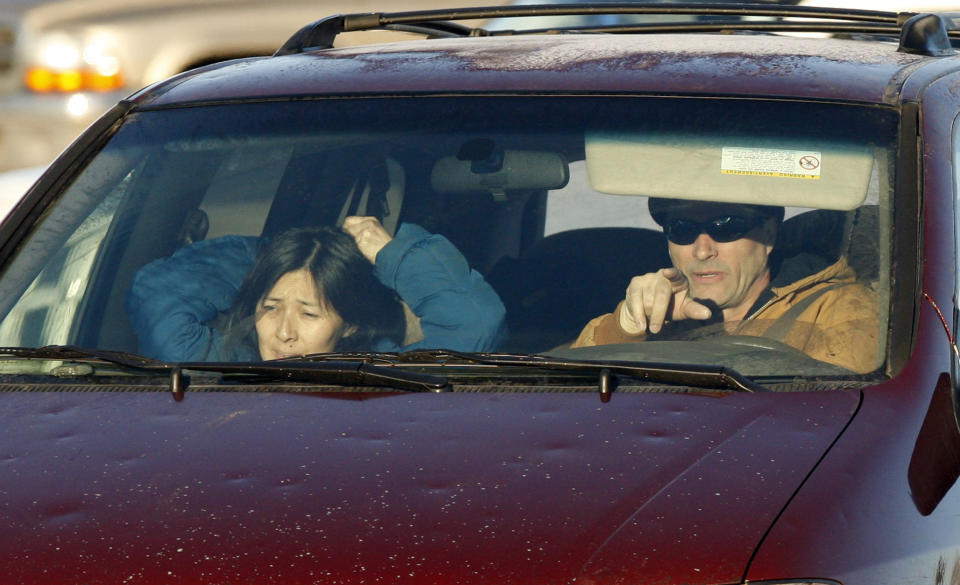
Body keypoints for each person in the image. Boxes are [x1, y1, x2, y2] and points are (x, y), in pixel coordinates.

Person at [126, 216, 507, 362]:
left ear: (351, 323)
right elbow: (155, 290)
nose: (284, 332)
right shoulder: (226, 369)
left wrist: (393, 254)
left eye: (309, 314)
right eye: (271, 307)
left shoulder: (387, 379)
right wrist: (288, 254)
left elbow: (473, 323)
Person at [572, 198, 882, 373]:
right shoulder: (661, 316)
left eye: (727, 227)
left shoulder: (840, 311)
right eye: (682, 229)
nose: (702, 250)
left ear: (770, 236)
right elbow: (562, 395)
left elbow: (842, 415)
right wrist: (627, 325)